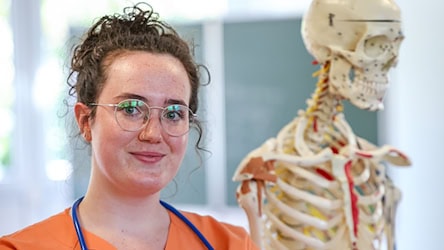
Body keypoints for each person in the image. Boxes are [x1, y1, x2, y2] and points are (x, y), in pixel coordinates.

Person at [0, 3, 258, 250]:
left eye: (173, 113)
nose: (153, 133)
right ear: (85, 121)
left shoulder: (230, 244)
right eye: (131, 109)